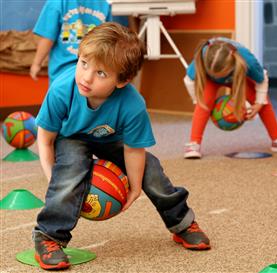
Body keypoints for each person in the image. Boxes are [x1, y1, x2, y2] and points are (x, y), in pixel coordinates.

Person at [33, 22, 210, 270]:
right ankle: (48, 236)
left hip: (112, 138)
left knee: (152, 170)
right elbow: (45, 139)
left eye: (101, 73)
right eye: (84, 63)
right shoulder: (62, 90)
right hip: (71, 136)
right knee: (71, 170)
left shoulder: (133, 104)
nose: (86, 77)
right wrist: (54, 178)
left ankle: (182, 224)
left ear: (123, 80)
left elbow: (134, 149)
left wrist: (136, 187)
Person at [183, 37, 277, 159]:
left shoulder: (247, 60)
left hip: (238, 77)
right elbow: (188, 80)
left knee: (264, 102)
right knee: (203, 104)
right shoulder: (203, 57)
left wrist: (259, 103)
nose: (219, 77)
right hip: (210, 81)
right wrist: (197, 100)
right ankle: (193, 144)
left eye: (221, 75)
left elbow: (262, 79)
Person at [30, 0, 112, 85]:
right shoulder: (104, 3)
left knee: (60, 97)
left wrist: (37, 63)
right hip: (92, 72)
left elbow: (47, 38)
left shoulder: (57, 2)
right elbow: (109, 38)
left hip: (63, 71)